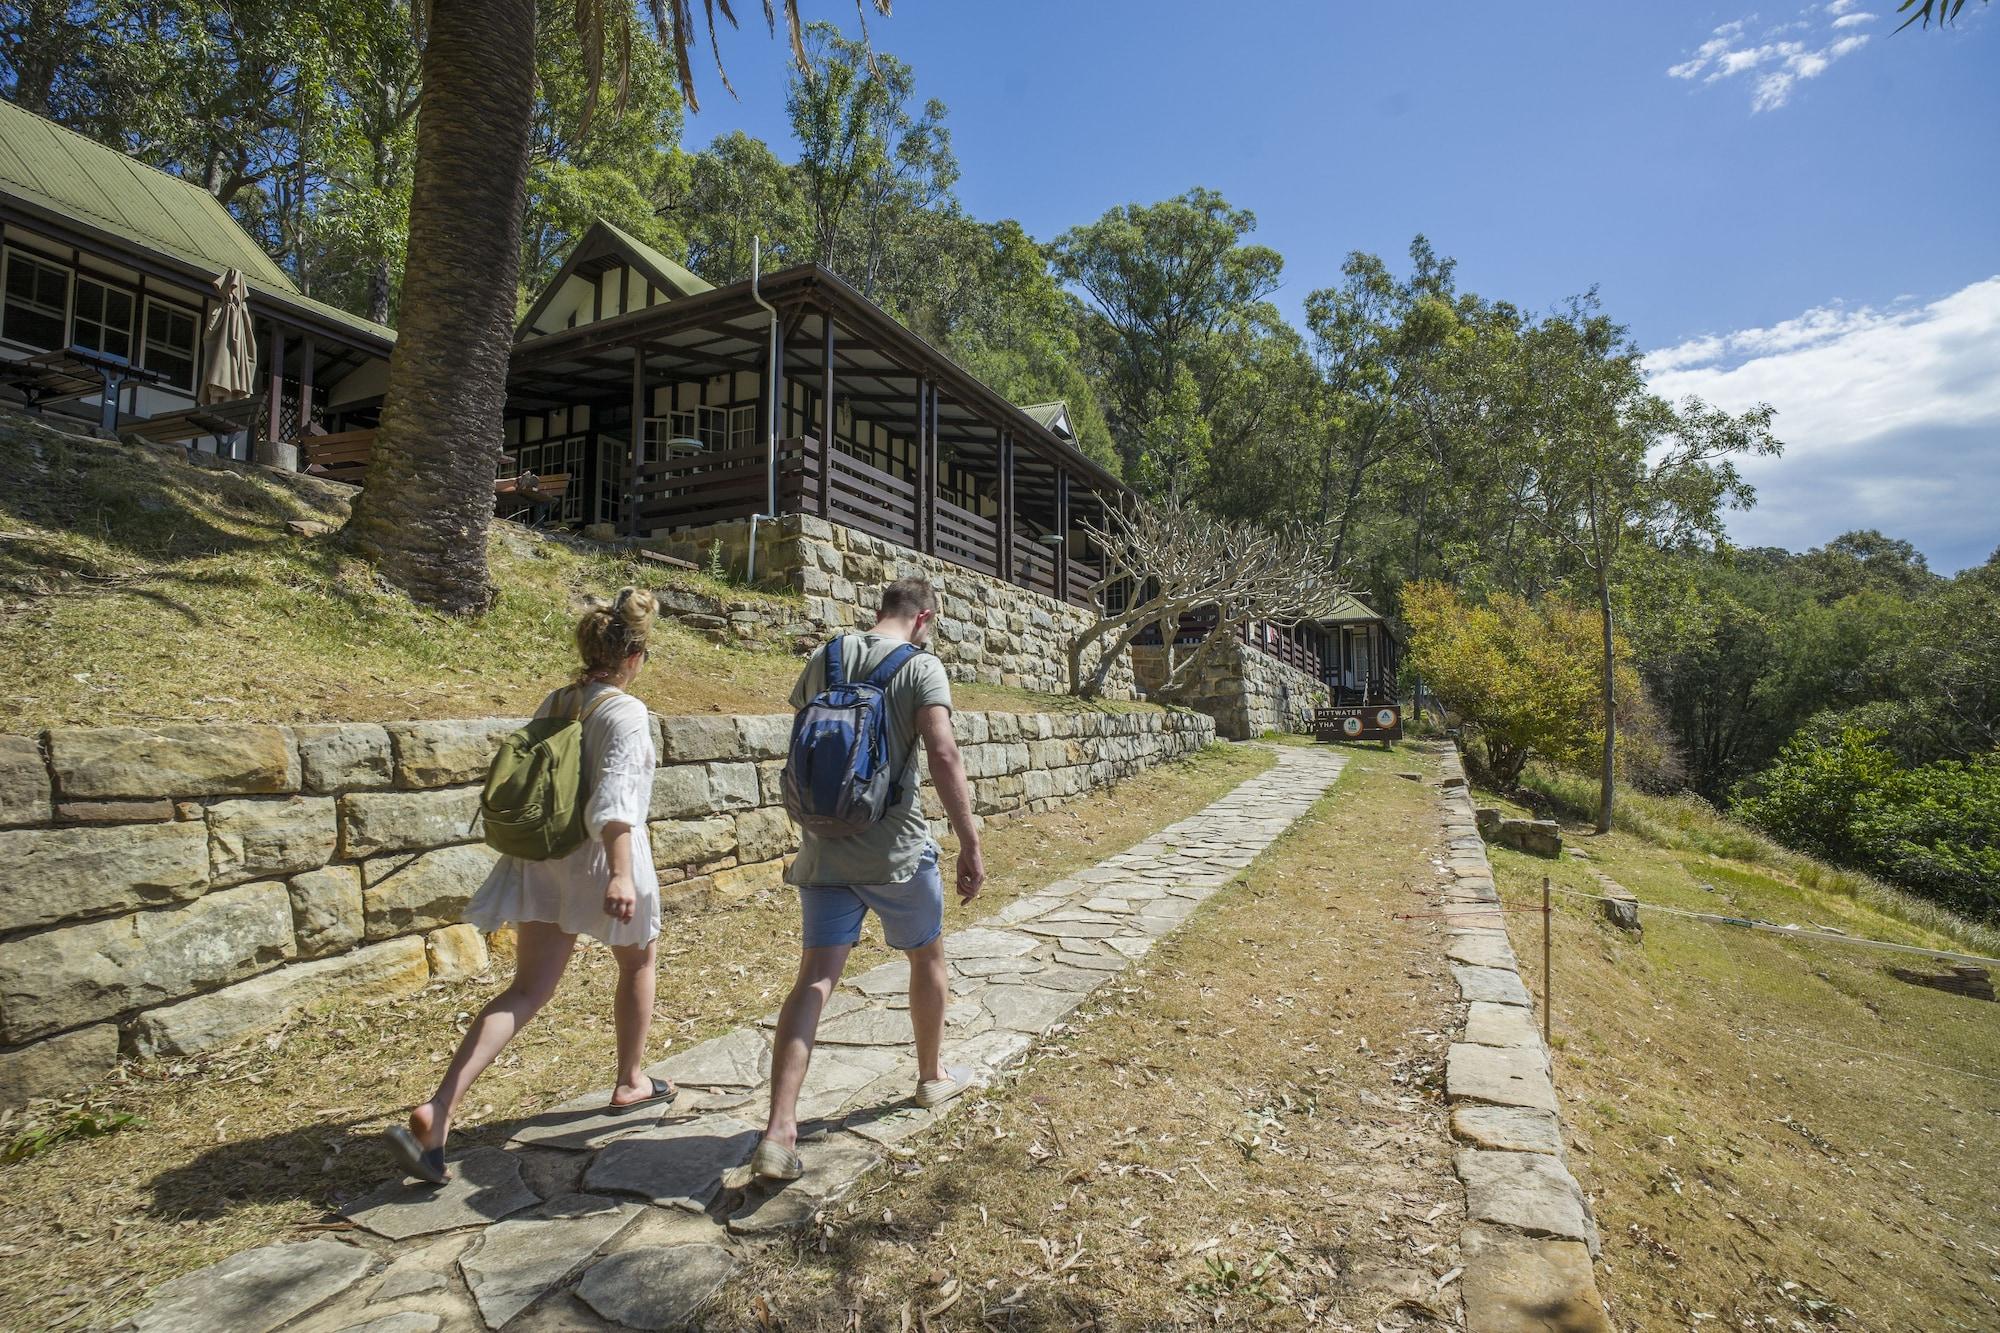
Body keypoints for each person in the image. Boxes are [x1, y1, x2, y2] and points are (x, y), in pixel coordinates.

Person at [385, 587, 671, 1185]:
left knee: (527, 989)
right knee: (638, 962)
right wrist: (621, 872)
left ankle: (439, 1112)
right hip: (601, 859)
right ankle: (631, 1080)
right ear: (635, 656)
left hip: (543, 858)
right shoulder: (625, 710)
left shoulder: (558, 700)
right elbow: (617, 801)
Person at [747, 577, 987, 1182]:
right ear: (924, 618)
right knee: (926, 957)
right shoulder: (922, 668)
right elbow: (943, 754)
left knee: (814, 981)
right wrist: (969, 838)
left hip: (824, 848)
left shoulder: (827, 655)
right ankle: (931, 1078)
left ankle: (779, 1130)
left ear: (879, 611)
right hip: (896, 853)